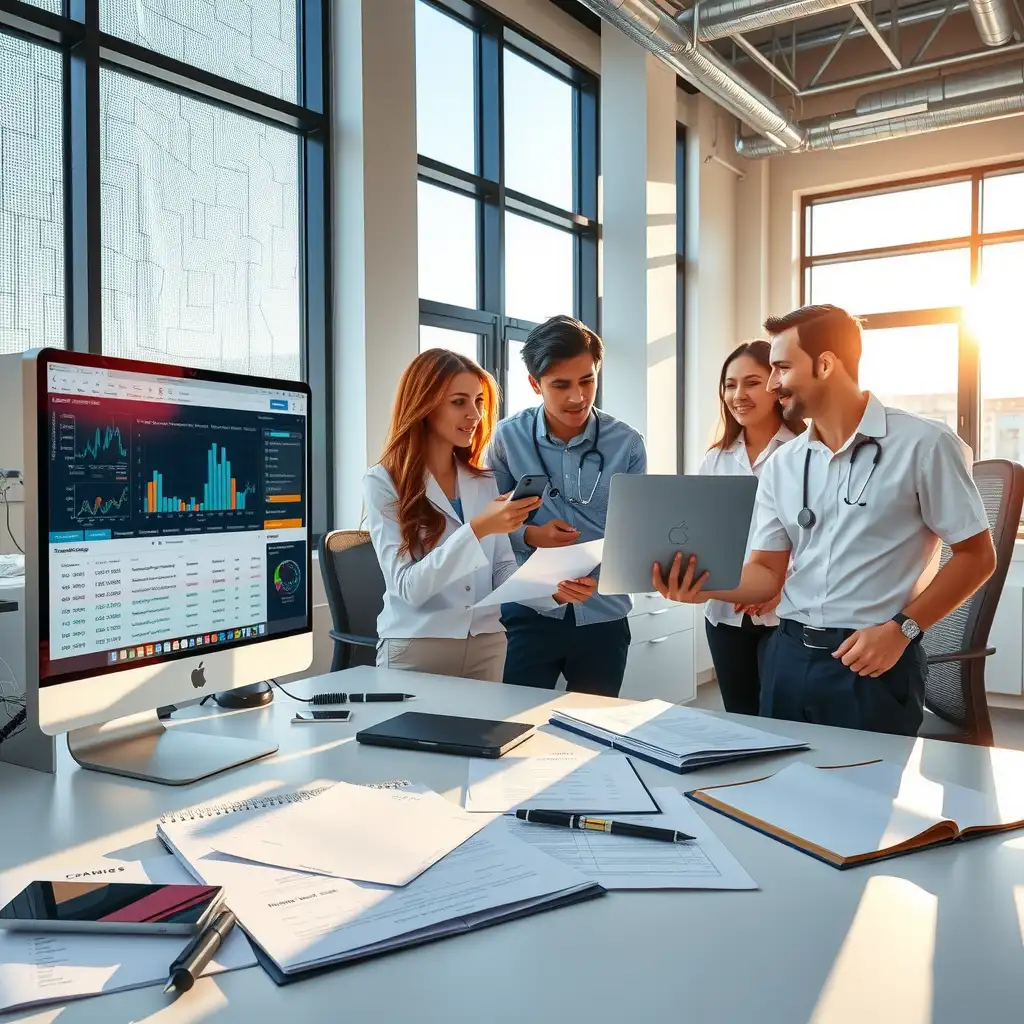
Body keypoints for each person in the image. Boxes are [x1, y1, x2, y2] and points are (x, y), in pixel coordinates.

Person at [654, 304, 996, 736]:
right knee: (776, 792)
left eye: (781, 368)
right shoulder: (785, 463)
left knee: (864, 797)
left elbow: (977, 557)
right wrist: (698, 584)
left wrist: (902, 630)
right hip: (787, 656)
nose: (774, 383)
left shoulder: (924, 444)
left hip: (869, 659)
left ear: (826, 364)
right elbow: (765, 574)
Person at [363, 349, 593, 683]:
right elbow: (408, 588)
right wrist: (478, 528)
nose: (474, 414)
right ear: (424, 405)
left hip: (488, 646)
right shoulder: (384, 482)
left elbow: (501, 570)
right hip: (418, 648)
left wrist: (553, 592)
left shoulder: (483, 480)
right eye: (459, 402)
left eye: (479, 401)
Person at [487, 316, 647, 697]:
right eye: (561, 385)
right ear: (534, 384)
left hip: (602, 614)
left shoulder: (627, 444)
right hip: (529, 612)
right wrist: (530, 534)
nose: (577, 397)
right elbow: (487, 526)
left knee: (593, 735)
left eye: (587, 380)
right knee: (513, 727)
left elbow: (635, 531)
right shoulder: (508, 438)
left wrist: (605, 575)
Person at [699, 340, 801, 716]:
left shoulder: (805, 453)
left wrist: (779, 585)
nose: (738, 395)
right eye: (729, 385)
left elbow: (820, 540)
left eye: (752, 382)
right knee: (740, 722)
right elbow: (705, 535)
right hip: (725, 615)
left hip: (786, 615)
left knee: (784, 722)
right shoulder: (716, 459)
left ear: (776, 386)